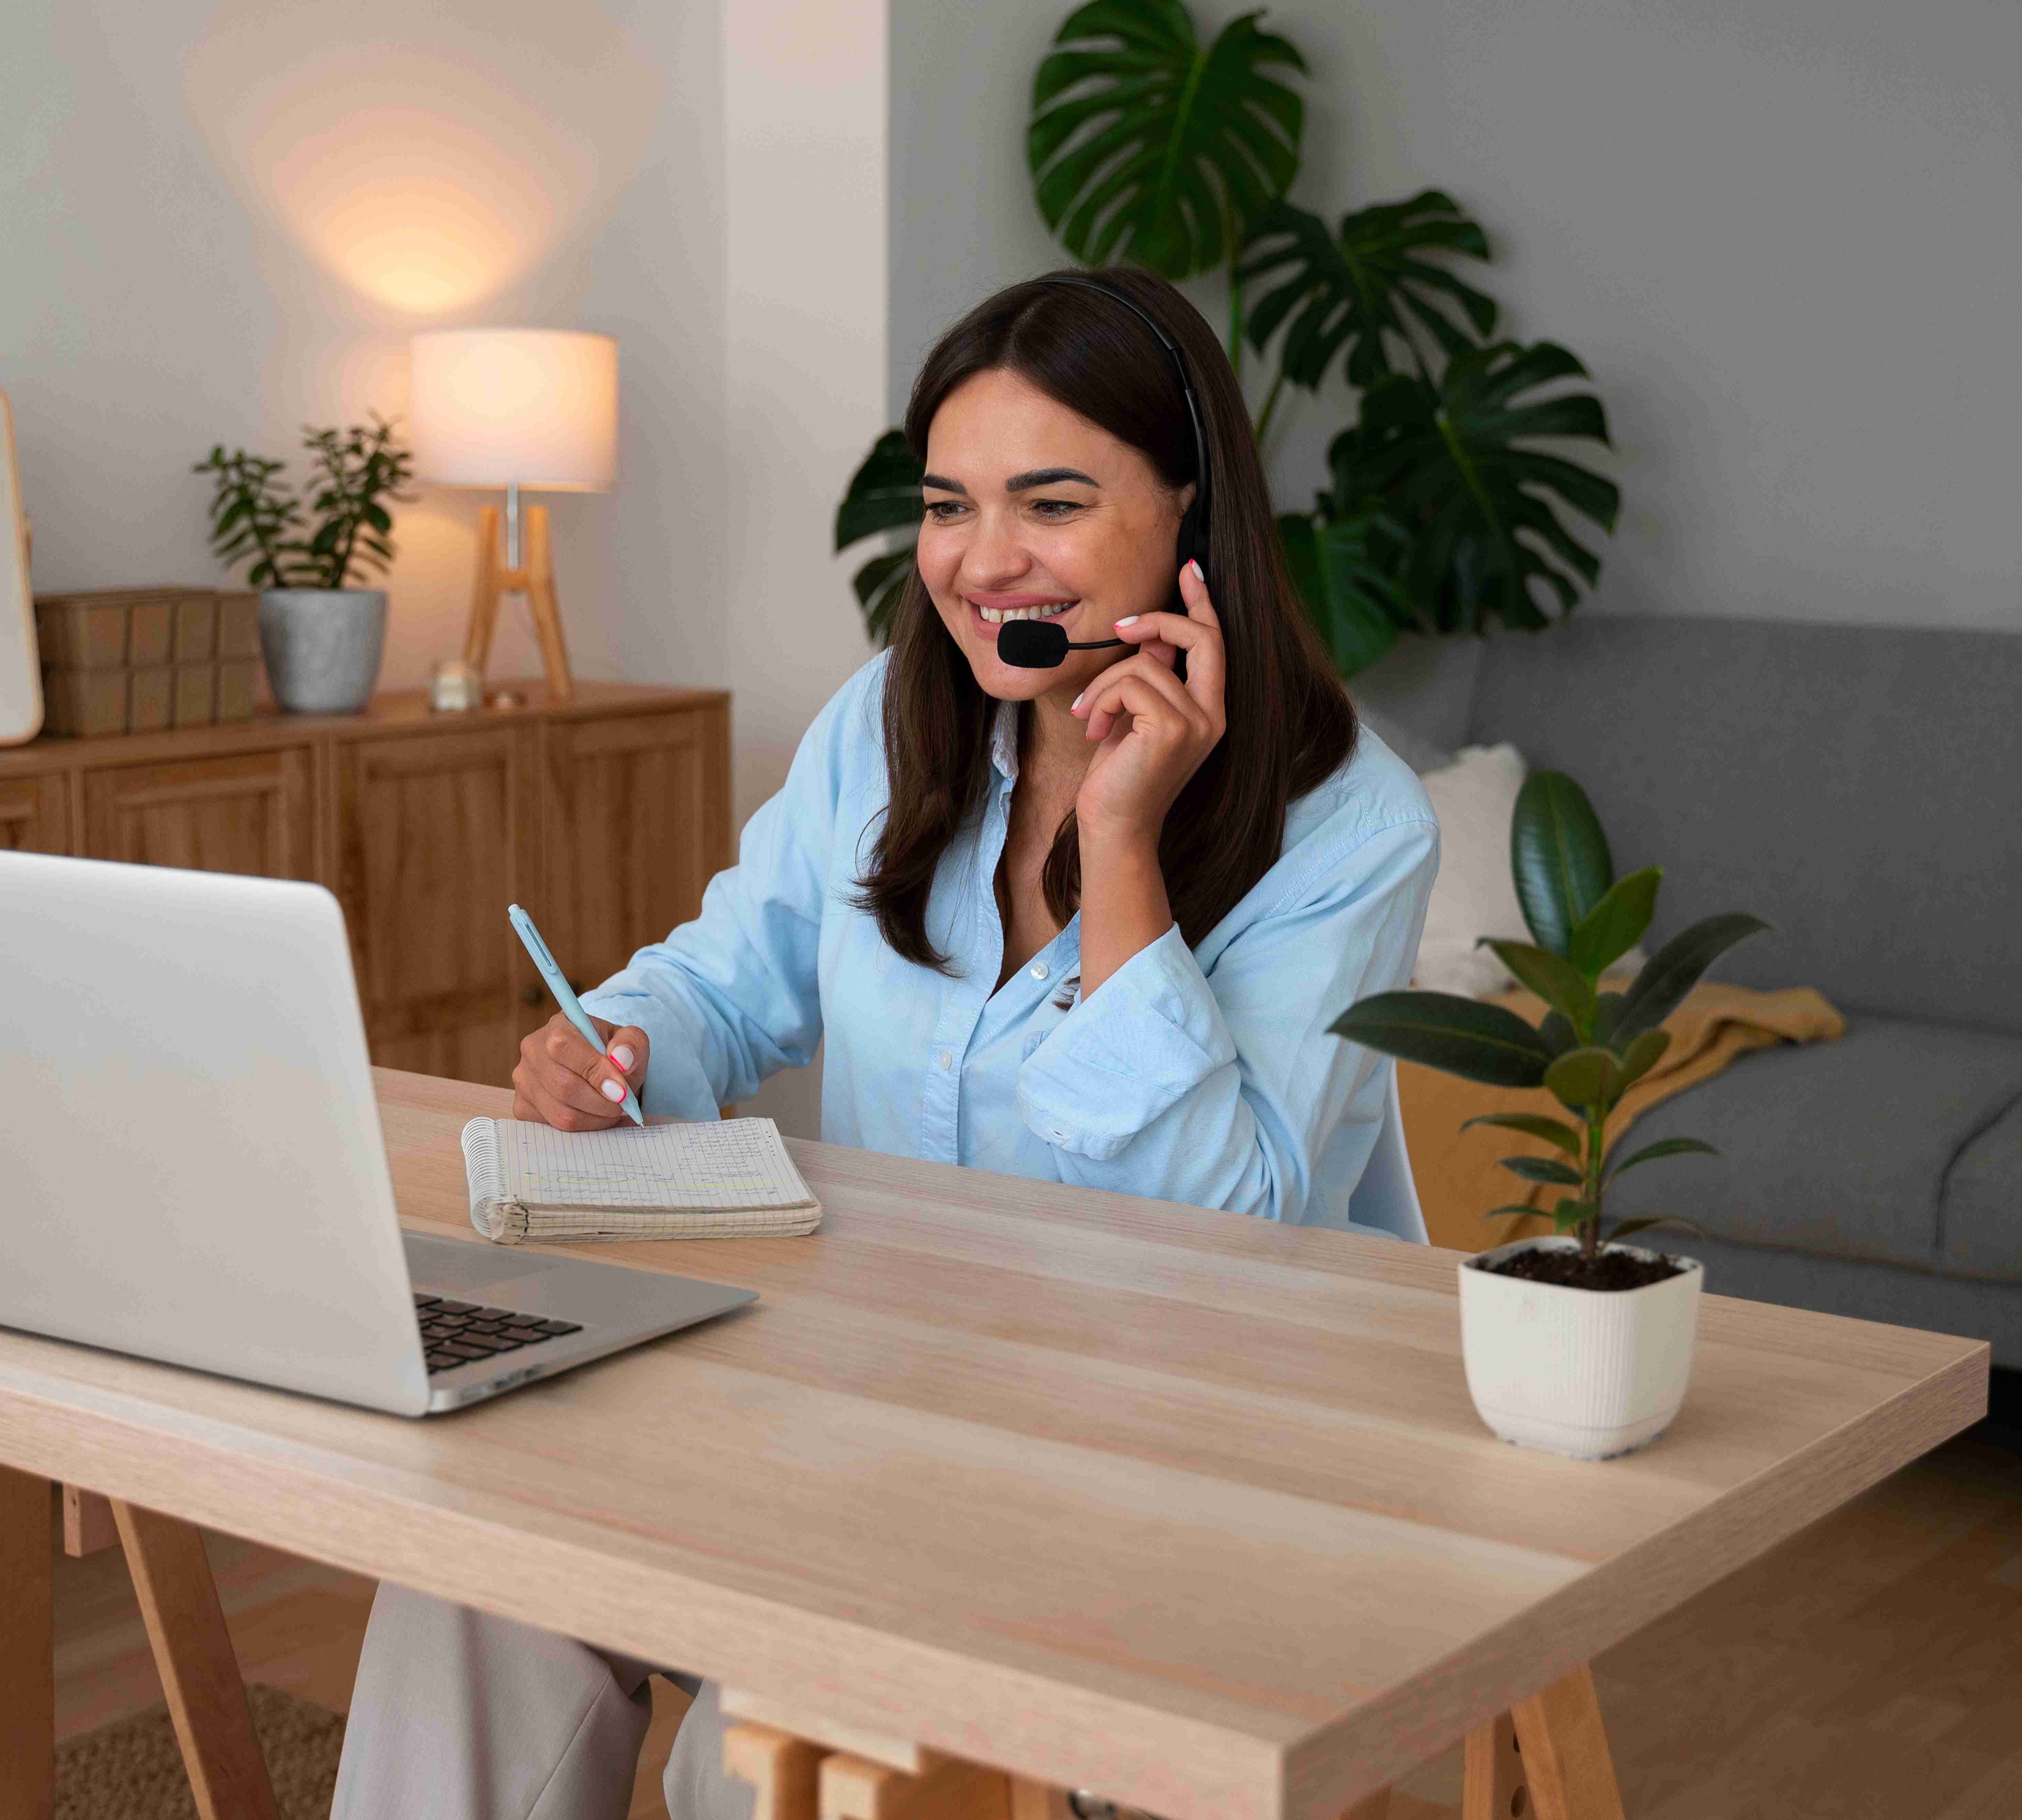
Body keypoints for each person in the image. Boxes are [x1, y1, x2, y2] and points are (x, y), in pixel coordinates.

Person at [328, 267, 1441, 1820]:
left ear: (1192, 510)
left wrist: (1123, 845)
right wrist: (621, 1041)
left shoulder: (1350, 824)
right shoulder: (889, 722)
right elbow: (731, 975)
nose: (985, 564)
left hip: (1170, 1465)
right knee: (474, 1561)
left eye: (1050, 503)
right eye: (948, 505)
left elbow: (1215, 1232)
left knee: (768, 1750)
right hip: (862, 1403)